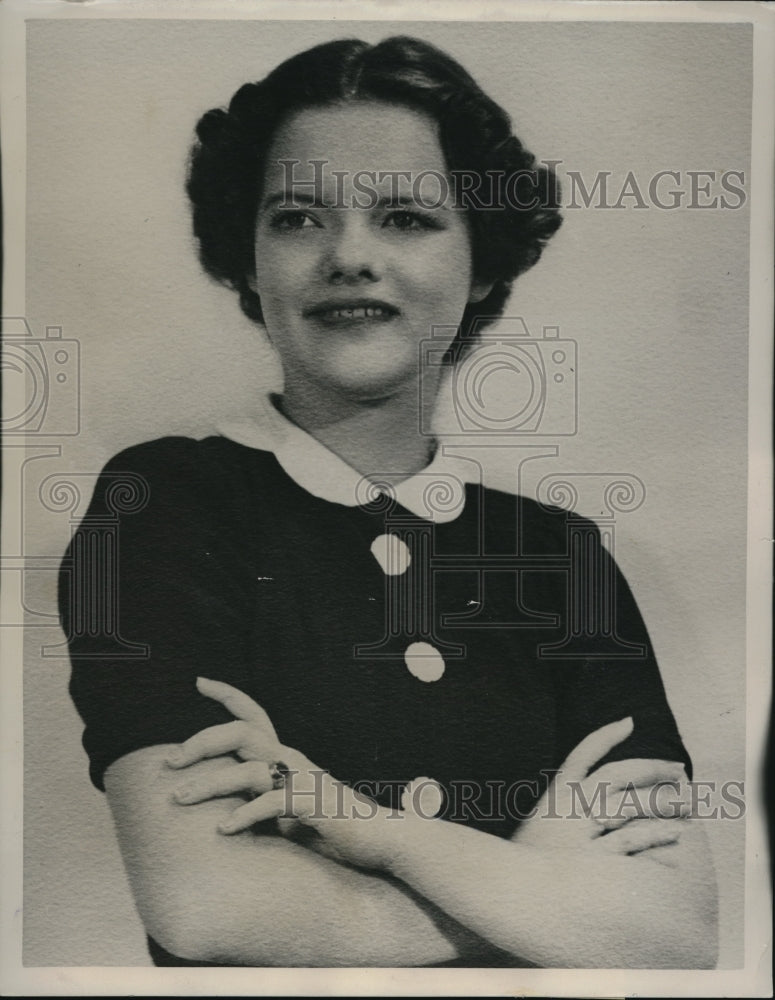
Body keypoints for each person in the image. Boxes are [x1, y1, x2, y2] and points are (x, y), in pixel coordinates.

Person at [59, 35, 717, 968]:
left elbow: (676, 937)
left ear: (482, 263)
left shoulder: (562, 561)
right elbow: (205, 904)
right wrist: (537, 893)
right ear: (245, 260)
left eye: (406, 217)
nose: (348, 257)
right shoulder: (164, 505)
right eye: (296, 219)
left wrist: (367, 831)